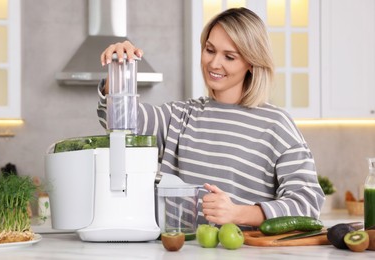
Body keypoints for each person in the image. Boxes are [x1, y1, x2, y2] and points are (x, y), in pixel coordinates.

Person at [97, 7, 325, 228]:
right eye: (210, 50)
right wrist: (120, 69)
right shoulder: (181, 117)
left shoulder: (276, 125)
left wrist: (238, 213)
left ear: (251, 63)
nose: (214, 63)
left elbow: (307, 202)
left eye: (229, 56)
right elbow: (122, 122)